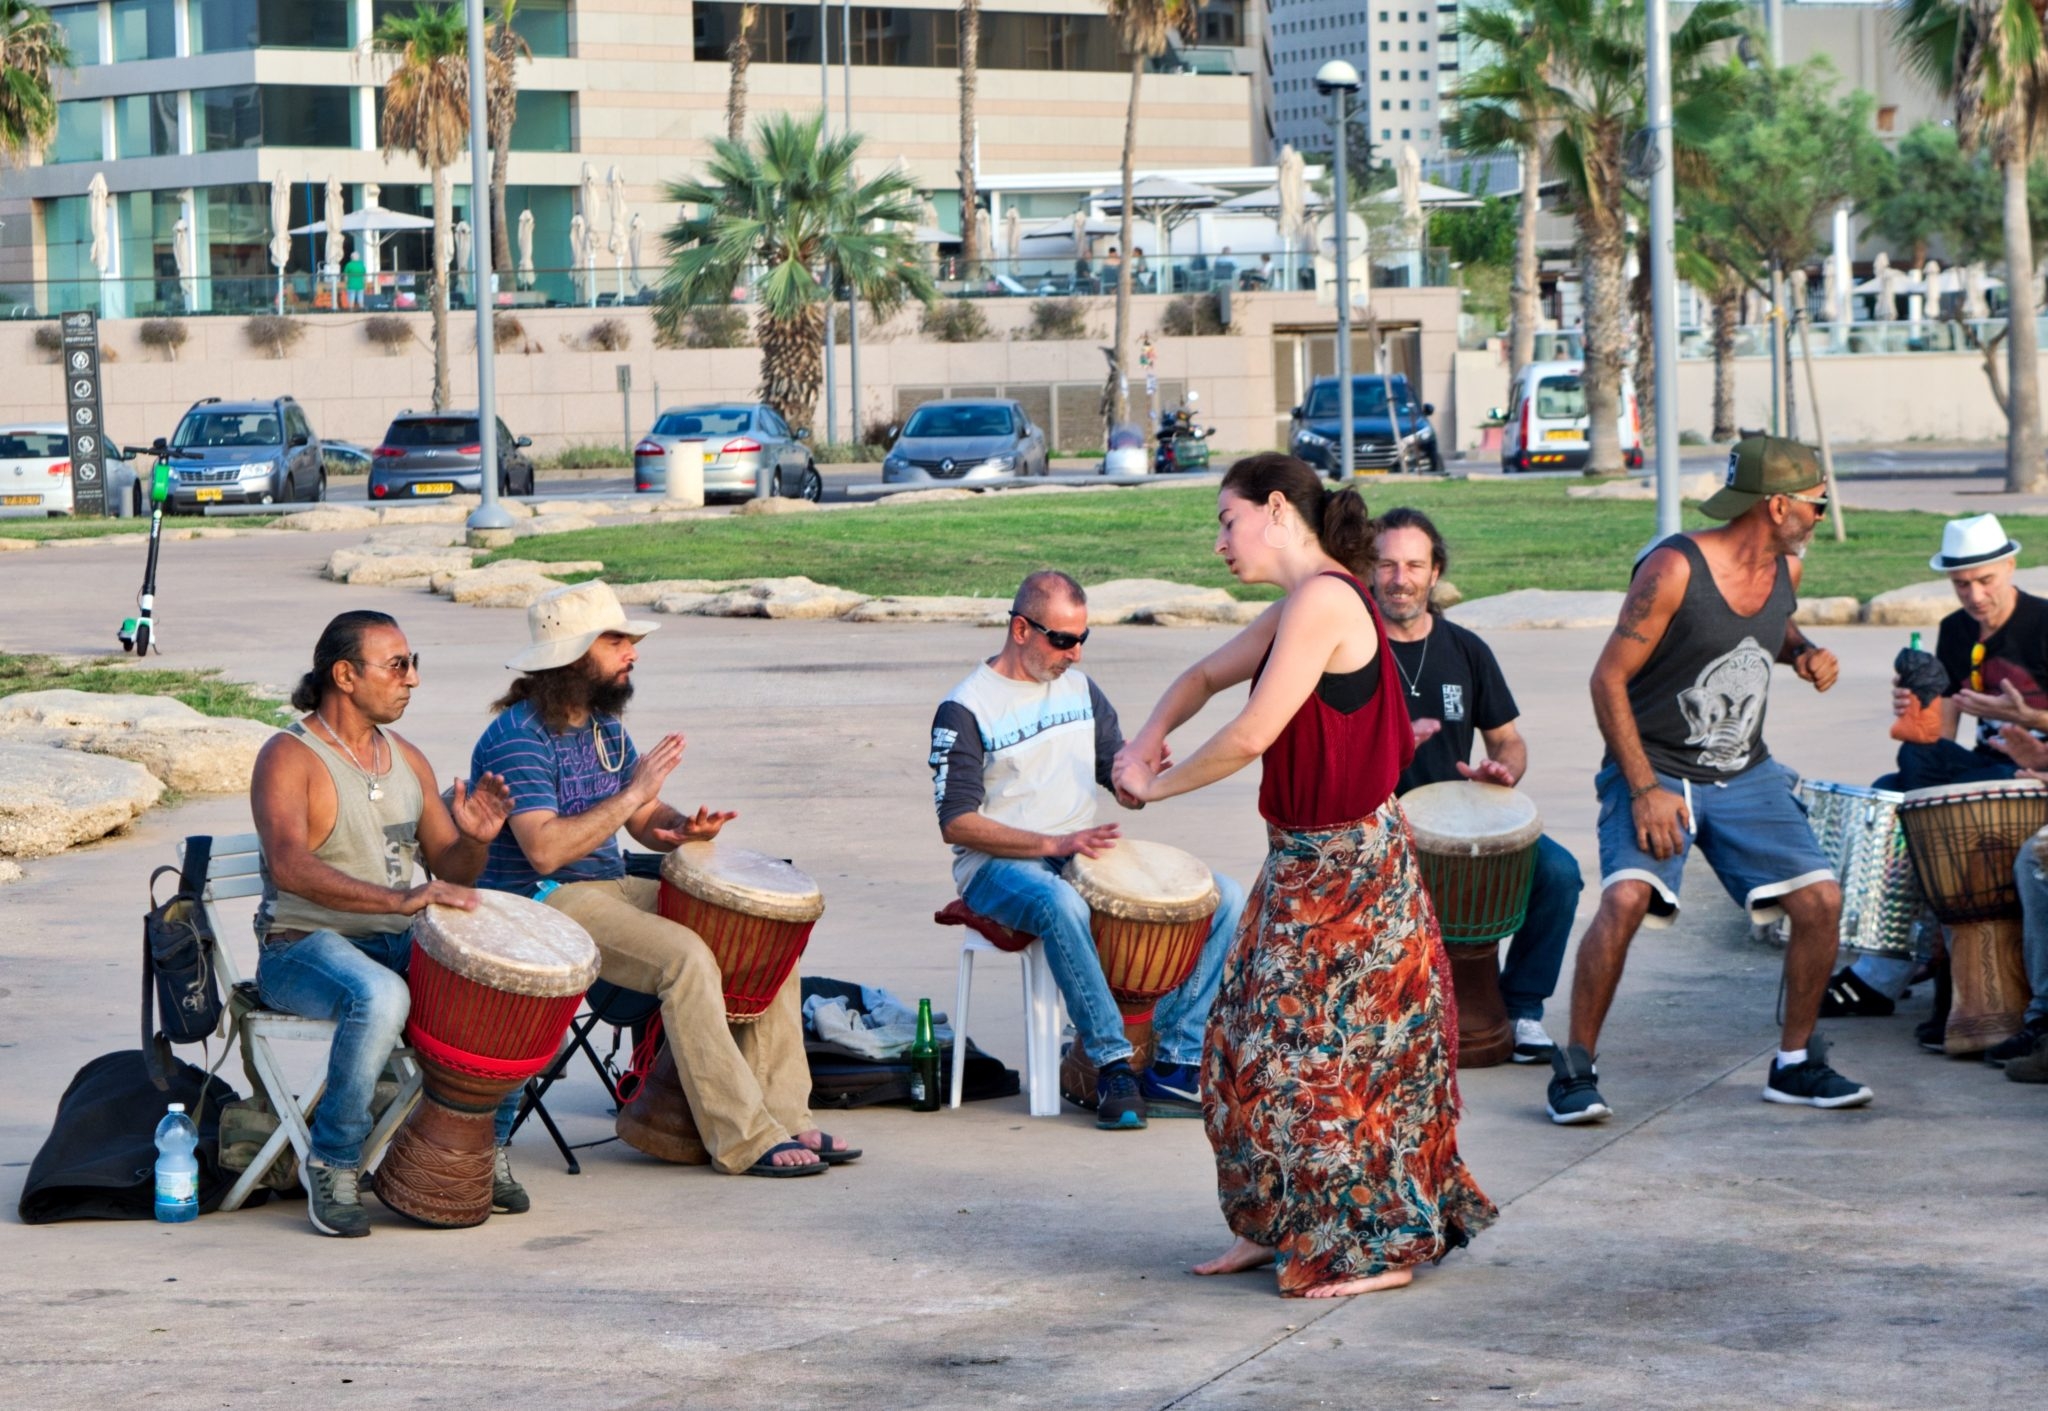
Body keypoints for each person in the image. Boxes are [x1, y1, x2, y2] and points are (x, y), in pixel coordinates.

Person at [1112, 454, 1495, 1299]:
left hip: (1351, 871)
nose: (1219, 540)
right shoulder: (1301, 602)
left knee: (1322, 1065)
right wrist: (1144, 738)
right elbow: (1203, 676)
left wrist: (1157, 785)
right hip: (1298, 863)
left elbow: (1252, 731)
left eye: (1227, 518)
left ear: (1277, 507)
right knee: (1236, 1050)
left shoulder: (1327, 600)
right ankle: (1281, 1223)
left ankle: (1380, 1247)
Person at [470, 580, 854, 1178]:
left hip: (608, 887)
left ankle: (786, 1113)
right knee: (687, 958)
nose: (633, 652)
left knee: (761, 935)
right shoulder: (517, 739)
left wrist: (681, 827)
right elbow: (544, 851)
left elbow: (643, 819)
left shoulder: (603, 728)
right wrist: (635, 793)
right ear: (573, 656)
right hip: (543, 906)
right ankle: (742, 1138)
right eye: (617, 640)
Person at [1547, 435, 1871, 1126]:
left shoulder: (1788, 569)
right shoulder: (1672, 568)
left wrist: (1805, 652)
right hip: (1655, 764)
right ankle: (1575, 1065)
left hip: (1743, 767)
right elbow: (1607, 677)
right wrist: (1642, 787)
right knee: (1628, 896)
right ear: (1776, 503)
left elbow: (1768, 630)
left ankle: (1795, 1063)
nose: (1822, 515)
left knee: (1820, 899)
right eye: (1815, 504)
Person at [930, 571, 1247, 1130]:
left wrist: (1135, 780)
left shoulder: (1081, 690)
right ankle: (1111, 1063)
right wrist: (1054, 842)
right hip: (998, 867)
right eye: (1062, 640)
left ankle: (1174, 1057)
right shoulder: (965, 707)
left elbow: (1116, 777)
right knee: (1061, 904)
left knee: (1224, 897)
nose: (1074, 654)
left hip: (1078, 853)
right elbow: (956, 823)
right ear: (1022, 629)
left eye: (1083, 639)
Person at [250, 611, 517, 1238]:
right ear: (344, 674)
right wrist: (397, 901)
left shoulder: (408, 760)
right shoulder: (289, 757)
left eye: (413, 662)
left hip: (397, 940)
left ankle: (481, 1150)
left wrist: (477, 841)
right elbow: (289, 867)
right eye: (397, 665)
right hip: (303, 948)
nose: (413, 679)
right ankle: (334, 1161)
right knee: (379, 995)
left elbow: (453, 865)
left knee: (505, 995)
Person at [1371, 506, 1582, 1062]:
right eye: (1388, 564)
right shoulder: (1354, 649)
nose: (1400, 579)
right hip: (1379, 824)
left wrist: (1503, 773)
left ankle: (1522, 1009)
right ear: (1370, 571)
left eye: (1414, 565)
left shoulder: (1466, 650)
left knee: (1560, 874)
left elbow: (1508, 740)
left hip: (1464, 825)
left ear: (1435, 572)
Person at [1829, 513, 2048, 1021]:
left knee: (1915, 807)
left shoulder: (2042, 624)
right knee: (1898, 780)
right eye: (1961, 584)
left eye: (1984, 581)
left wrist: (2028, 717)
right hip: (1985, 774)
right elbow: (1937, 738)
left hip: (2031, 780)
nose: (1974, 595)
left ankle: (1883, 974)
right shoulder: (1956, 630)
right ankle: (1905, 958)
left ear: (2010, 566)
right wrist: (1915, 707)